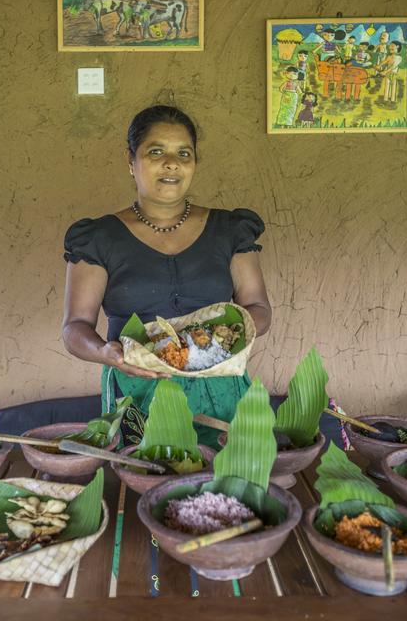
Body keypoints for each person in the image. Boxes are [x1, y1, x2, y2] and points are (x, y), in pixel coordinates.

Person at [62, 106, 272, 448]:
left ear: (194, 163)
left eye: (183, 153)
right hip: (138, 390)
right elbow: (74, 328)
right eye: (156, 151)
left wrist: (228, 335)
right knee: (145, 483)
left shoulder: (230, 230)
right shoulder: (99, 238)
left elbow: (258, 307)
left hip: (219, 390)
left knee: (225, 486)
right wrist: (107, 353)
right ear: (132, 161)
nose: (171, 163)